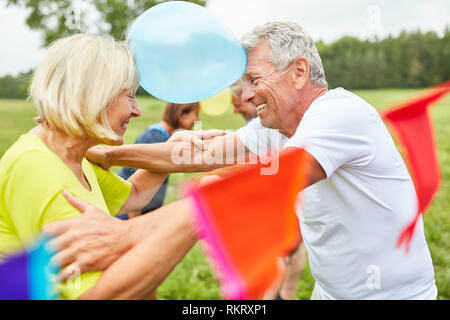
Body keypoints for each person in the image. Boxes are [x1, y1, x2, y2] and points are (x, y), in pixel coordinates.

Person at [44, 22, 437, 300]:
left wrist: (132, 235)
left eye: (254, 79)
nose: (244, 96)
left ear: (299, 71)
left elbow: (277, 181)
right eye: (242, 83)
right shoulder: (275, 127)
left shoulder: (341, 115)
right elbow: (200, 154)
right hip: (331, 292)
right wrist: (110, 154)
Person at [0, 33, 214, 300]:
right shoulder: (38, 168)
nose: (136, 111)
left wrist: (173, 151)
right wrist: (196, 213)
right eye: (129, 97)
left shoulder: (71, 155)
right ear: (93, 94)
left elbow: (135, 196)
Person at [117, 102, 200, 219]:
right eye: (195, 114)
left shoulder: (164, 137)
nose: (197, 119)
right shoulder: (155, 138)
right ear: (181, 114)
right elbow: (135, 184)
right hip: (127, 217)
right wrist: (135, 221)